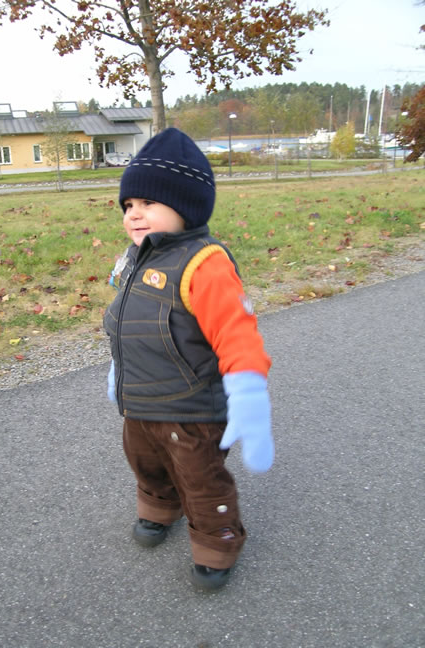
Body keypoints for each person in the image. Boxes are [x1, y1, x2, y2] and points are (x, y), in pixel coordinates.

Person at [103, 128, 274, 591]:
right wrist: (118, 370)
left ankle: (217, 542)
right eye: (128, 205)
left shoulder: (205, 264)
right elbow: (127, 323)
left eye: (148, 202)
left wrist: (249, 391)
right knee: (146, 463)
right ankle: (159, 509)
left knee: (201, 480)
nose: (134, 213)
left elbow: (237, 333)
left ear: (186, 205)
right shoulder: (135, 258)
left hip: (192, 409)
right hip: (140, 402)